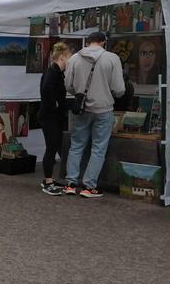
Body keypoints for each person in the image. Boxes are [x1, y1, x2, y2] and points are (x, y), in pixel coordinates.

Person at [64, 31, 125, 198]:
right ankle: (89, 186)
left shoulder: (74, 58)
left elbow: (68, 85)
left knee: (76, 145)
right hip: (104, 109)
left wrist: (80, 93)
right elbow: (119, 89)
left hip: (81, 109)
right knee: (98, 148)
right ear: (103, 42)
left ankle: (70, 183)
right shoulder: (112, 58)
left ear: (88, 42)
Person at [38, 42, 72, 196]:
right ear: (62, 58)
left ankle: (49, 179)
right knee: (51, 148)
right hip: (50, 117)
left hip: (53, 116)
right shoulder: (53, 71)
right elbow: (46, 89)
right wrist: (55, 105)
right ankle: (47, 181)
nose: (70, 62)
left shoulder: (55, 71)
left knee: (55, 146)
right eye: (69, 58)